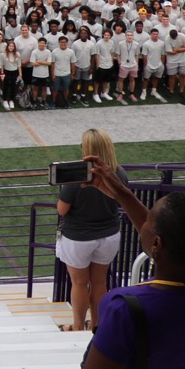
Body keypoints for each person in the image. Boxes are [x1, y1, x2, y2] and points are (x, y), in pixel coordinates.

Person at [41, 163, 185, 369]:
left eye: (148, 221)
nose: (142, 223)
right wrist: (122, 193)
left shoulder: (126, 308)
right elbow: (174, 236)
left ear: (156, 244)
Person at [58, 129, 129, 333]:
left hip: (79, 237)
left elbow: (62, 209)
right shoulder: (119, 172)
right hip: (109, 235)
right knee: (100, 281)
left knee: (79, 283)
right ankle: (97, 325)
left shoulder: (78, 175)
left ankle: (78, 326)